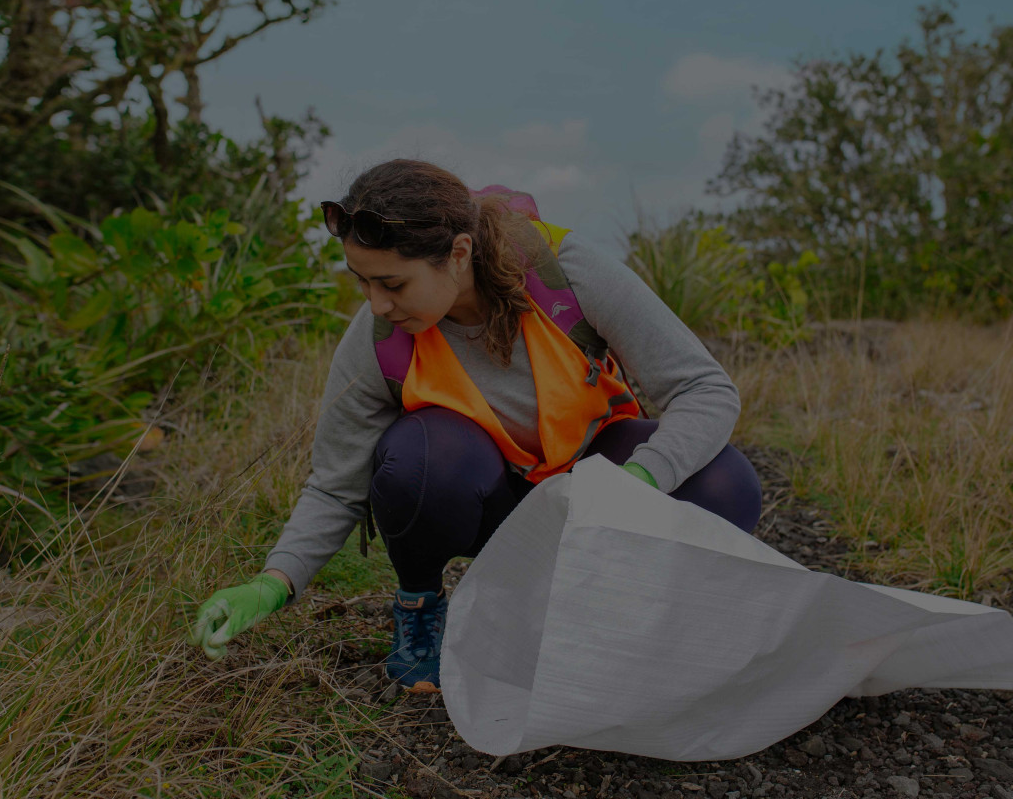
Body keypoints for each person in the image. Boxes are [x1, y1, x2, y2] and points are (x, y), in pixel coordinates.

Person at [188, 158, 762, 693]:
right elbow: (336, 483)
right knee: (420, 459)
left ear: (458, 253)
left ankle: (626, 614)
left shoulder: (565, 273)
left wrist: (637, 481)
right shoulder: (378, 338)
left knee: (722, 484)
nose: (376, 304)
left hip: (595, 496)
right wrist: (272, 582)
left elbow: (705, 390)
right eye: (362, 281)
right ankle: (419, 610)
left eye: (393, 284)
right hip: (490, 507)